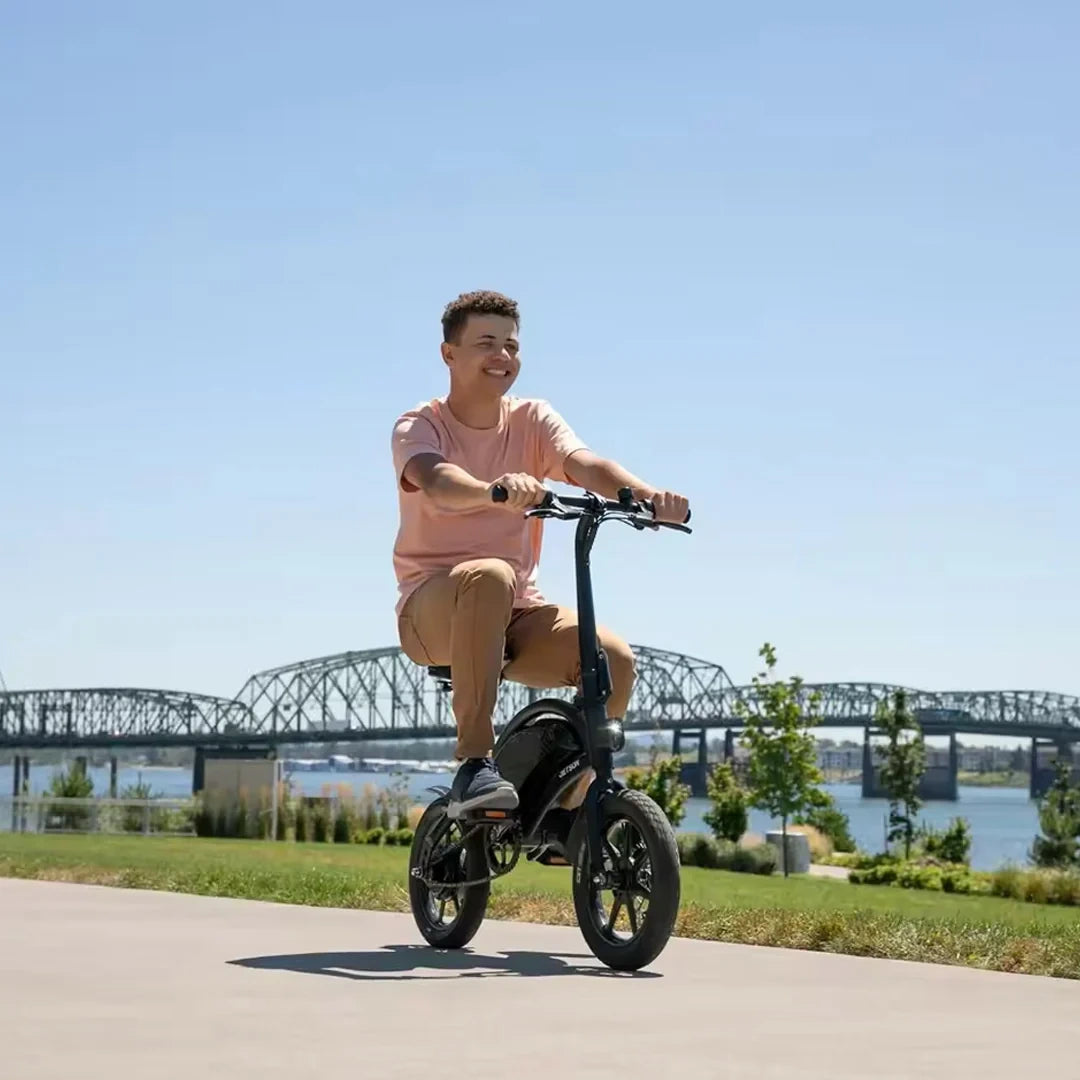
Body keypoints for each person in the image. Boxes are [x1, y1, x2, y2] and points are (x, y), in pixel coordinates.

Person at [390, 290, 689, 817]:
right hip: (432, 613)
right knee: (489, 574)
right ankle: (475, 766)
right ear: (449, 354)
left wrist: (646, 497)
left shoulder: (532, 418)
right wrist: (491, 491)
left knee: (612, 660)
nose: (502, 355)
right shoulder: (420, 425)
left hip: (515, 612)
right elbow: (437, 481)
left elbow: (584, 464)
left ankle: (567, 806)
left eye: (511, 344)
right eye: (486, 343)